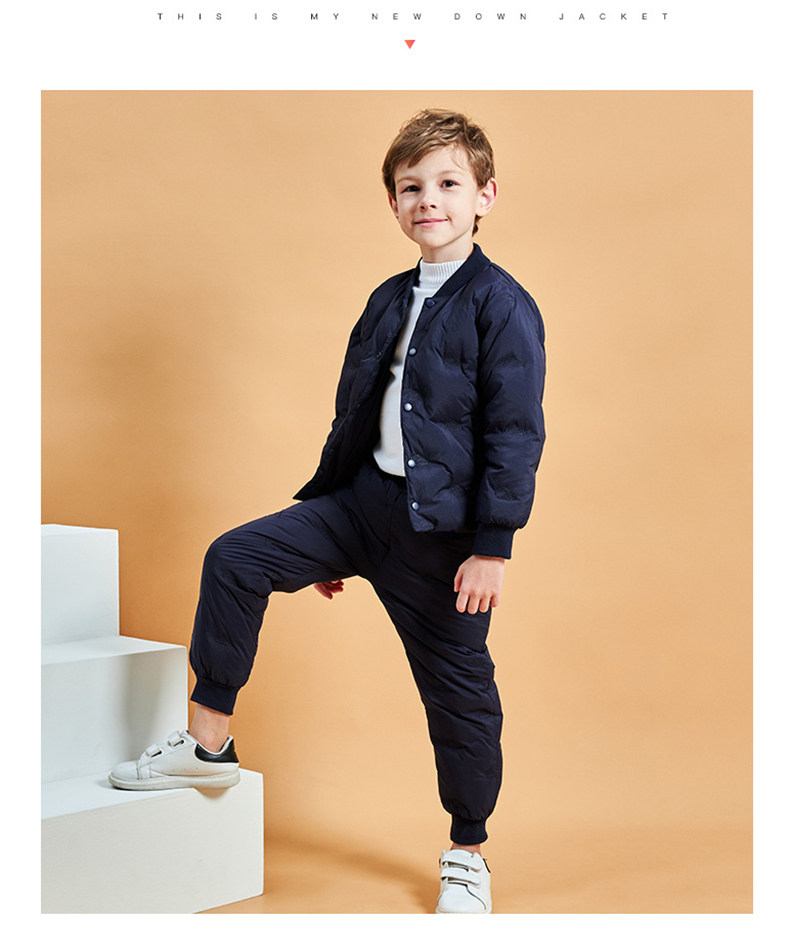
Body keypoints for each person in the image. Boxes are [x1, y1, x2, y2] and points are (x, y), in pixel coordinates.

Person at [109, 109, 546, 914]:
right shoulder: (387, 298)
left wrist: (493, 546)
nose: (428, 200)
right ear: (393, 203)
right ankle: (208, 743)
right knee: (235, 558)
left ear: (485, 196)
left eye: (448, 184)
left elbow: (515, 434)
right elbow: (355, 413)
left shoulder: (502, 306)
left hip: (441, 540)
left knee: (460, 696)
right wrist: (324, 528)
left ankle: (468, 851)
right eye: (410, 187)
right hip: (359, 509)